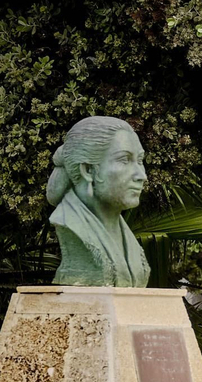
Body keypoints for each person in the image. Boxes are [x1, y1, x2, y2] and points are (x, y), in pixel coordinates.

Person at [47, 115, 151, 287]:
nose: (142, 175)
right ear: (88, 170)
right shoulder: (69, 222)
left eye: (140, 161)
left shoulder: (121, 230)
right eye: (124, 159)